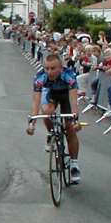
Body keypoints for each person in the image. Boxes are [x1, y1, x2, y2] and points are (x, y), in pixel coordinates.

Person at [27, 53, 82, 184]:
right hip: (51, 95)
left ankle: (74, 164)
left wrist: (75, 119)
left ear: (61, 68)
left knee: (70, 128)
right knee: (46, 111)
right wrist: (32, 123)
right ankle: (51, 132)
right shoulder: (40, 77)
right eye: (46, 68)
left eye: (53, 68)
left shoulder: (69, 76)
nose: (49, 72)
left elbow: (73, 101)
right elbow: (36, 102)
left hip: (66, 96)